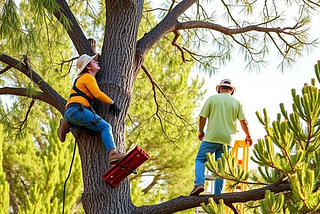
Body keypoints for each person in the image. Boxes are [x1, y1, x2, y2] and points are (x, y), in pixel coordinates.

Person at [57, 53, 125, 165]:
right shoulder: (88, 77)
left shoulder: (82, 78)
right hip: (78, 110)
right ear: (88, 67)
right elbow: (97, 94)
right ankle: (113, 153)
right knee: (105, 126)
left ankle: (68, 125)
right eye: (93, 62)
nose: (97, 62)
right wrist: (112, 102)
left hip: (71, 112)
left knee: (93, 126)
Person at [189, 79, 253, 196]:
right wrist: (248, 136)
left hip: (211, 137)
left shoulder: (212, 99)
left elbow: (202, 117)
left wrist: (201, 131)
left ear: (219, 89)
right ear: (232, 91)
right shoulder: (237, 103)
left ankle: (199, 183)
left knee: (200, 160)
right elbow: (244, 122)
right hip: (227, 141)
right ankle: (218, 196)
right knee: (221, 169)